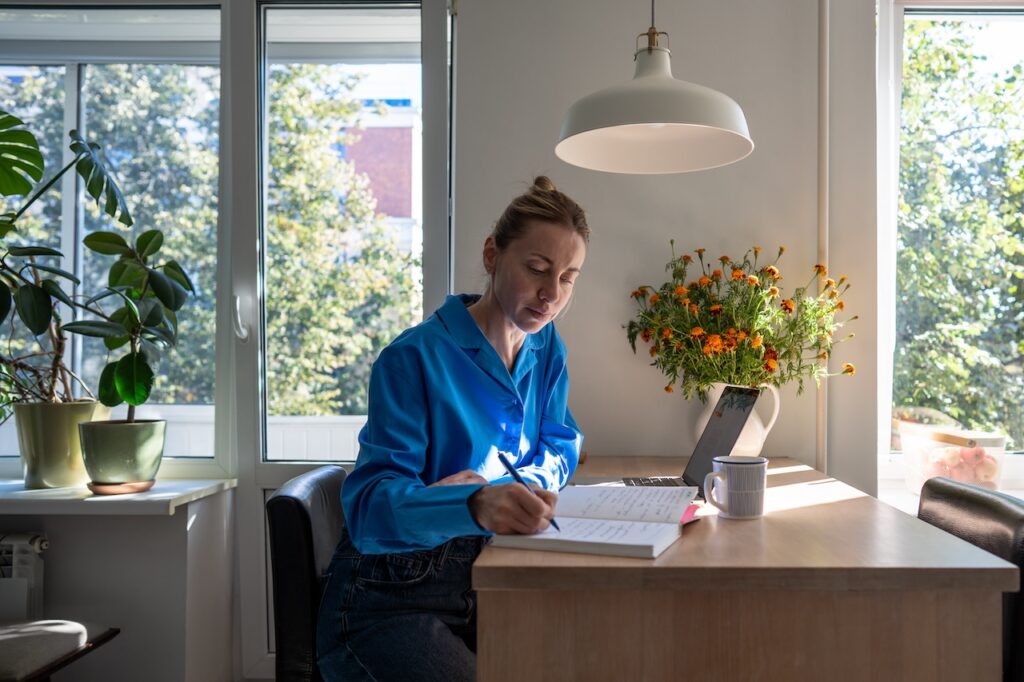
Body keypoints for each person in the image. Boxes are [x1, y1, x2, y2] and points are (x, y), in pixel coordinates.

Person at [316, 176, 590, 682]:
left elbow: (562, 441)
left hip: (485, 582)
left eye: (568, 277)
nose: (551, 294)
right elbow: (372, 507)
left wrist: (533, 482)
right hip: (387, 601)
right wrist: (474, 504)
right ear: (492, 255)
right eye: (537, 269)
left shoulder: (546, 347)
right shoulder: (412, 357)